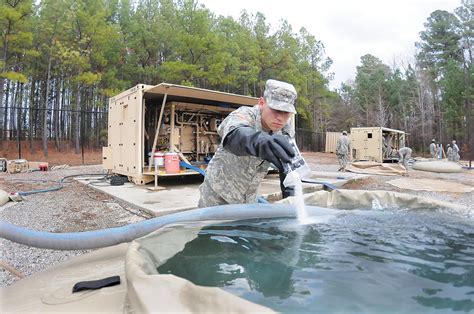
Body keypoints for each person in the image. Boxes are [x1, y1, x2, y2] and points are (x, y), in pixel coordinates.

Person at [198, 79, 298, 207]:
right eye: (276, 110)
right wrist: (260, 141)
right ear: (262, 103)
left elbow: (288, 165)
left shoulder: (285, 128)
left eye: (286, 113)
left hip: (249, 201)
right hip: (217, 196)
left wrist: (292, 199)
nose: (281, 118)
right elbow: (234, 136)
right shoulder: (245, 114)